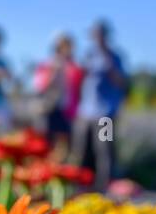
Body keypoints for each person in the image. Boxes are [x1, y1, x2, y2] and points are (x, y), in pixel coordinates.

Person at [72, 19, 128, 189]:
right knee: (80, 150)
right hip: (85, 113)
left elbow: (121, 82)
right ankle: (79, 186)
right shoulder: (88, 55)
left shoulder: (115, 56)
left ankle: (104, 186)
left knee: (104, 151)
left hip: (105, 113)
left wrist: (108, 63)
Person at [33, 32, 83, 156]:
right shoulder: (48, 65)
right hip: (49, 110)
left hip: (68, 112)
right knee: (47, 144)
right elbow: (40, 86)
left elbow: (78, 89)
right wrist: (53, 72)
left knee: (66, 146)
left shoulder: (74, 67)